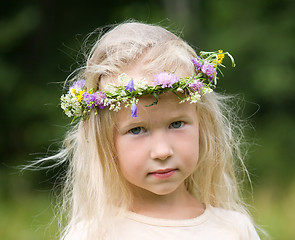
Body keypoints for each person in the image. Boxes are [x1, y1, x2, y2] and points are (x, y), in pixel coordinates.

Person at [53, 21, 261, 239]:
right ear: (105, 140)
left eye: (176, 124)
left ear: (203, 125)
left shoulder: (233, 230)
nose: (162, 151)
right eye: (137, 130)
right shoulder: (95, 234)